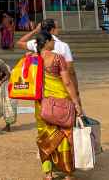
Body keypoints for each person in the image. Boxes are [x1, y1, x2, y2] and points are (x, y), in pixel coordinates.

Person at [34, 30, 82, 180]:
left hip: (42, 103)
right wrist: (76, 102)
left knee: (45, 136)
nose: (55, 43)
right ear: (47, 42)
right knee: (64, 134)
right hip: (61, 102)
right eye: (53, 41)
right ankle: (67, 172)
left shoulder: (33, 59)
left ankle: (48, 173)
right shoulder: (58, 58)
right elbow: (67, 82)